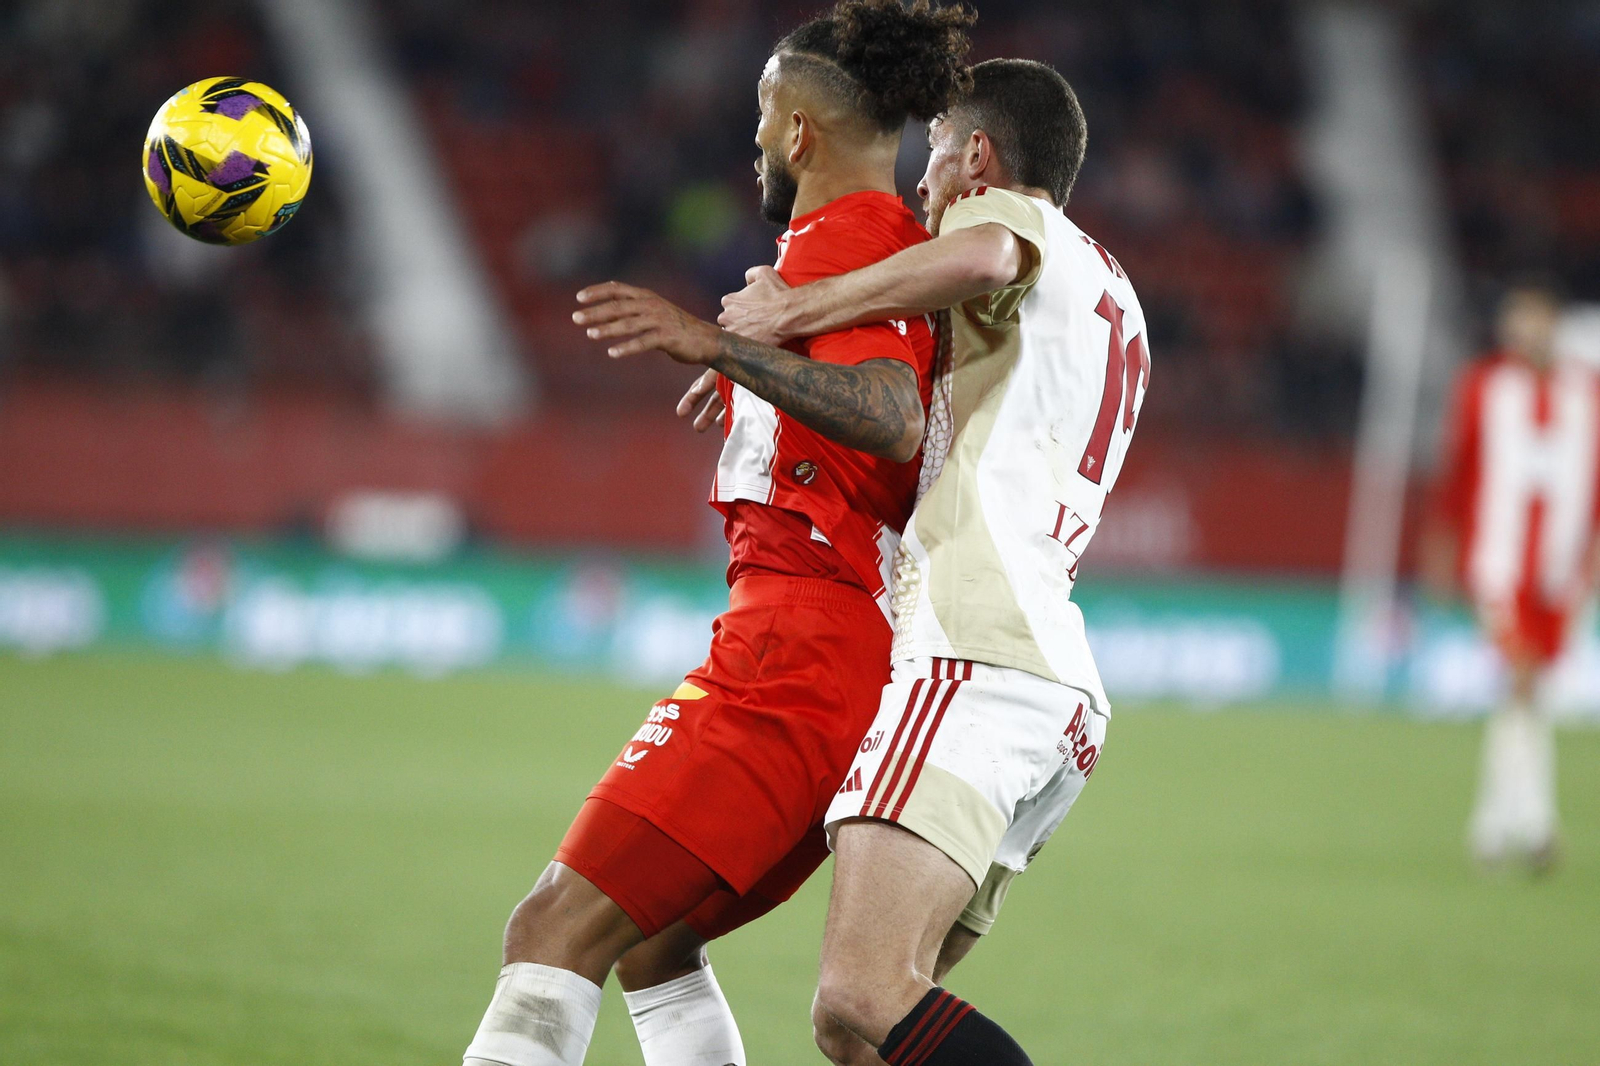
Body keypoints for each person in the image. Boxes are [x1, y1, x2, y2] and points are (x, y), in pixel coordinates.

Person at [460, 4, 974, 1065]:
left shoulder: (852, 239)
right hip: (834, 658)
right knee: (652, 942)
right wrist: (753, 372)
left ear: (799, 133)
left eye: (760, 114)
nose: (750, 139)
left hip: (797, 653)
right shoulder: (857, 260)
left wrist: (713, 344)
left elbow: (889, 411)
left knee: (549, 931)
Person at [716, 57, 1149, 1064]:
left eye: (935, 155)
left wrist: (793, 312)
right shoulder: (1113, 291)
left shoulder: (1001, 217)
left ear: (979, 155)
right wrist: (763, 373)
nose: (920, 184)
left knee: (862, 991)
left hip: (973, 649)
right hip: (1055, 691)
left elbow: (989, 254)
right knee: (856, 1030)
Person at [1421, 281, 1597, 872]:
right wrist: (1442, 551)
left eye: (1536, 320)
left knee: (1527, 694)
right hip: (1498, 563)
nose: (1525, 332)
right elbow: (1457, 471)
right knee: (1521, 680)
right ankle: (1538, 824)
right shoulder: (1482, 388)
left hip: (1561, 569)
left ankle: (1491, 830)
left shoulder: (1586, 393)